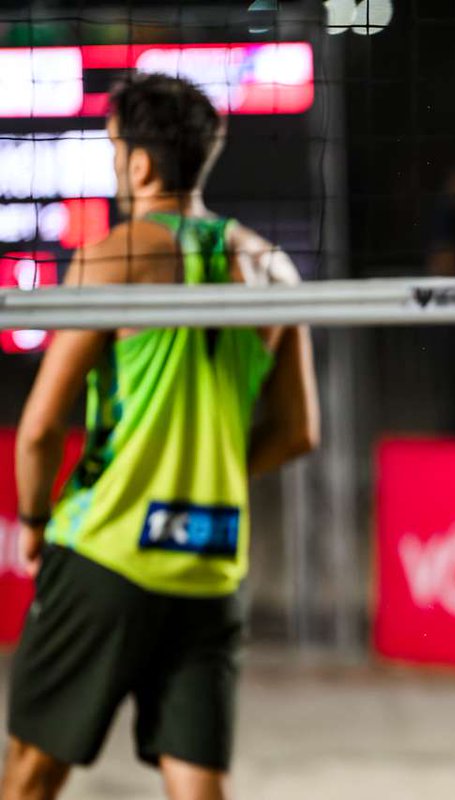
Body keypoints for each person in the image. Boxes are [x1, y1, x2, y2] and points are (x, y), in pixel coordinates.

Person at [2, 73, 319, 800]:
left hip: (106, 552)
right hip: (211, 560)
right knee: (198, 786)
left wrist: (34, 522)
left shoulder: (116, 254)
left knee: (30, 773)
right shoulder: (273, 267)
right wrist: (206, 475)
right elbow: (301, 432)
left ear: (141, 163)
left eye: (115, 148)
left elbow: (42, 427)